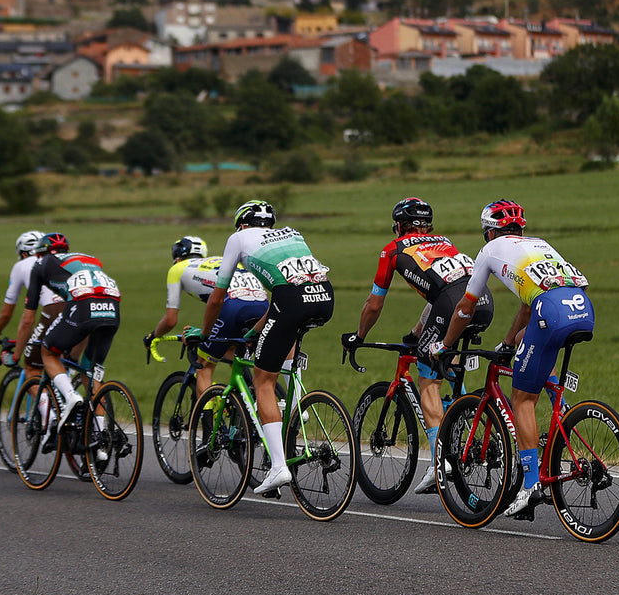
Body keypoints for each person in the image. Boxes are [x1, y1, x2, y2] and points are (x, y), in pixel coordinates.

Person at [442, 199, 593, 518]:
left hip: (549, 310)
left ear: (489, 232)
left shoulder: (489, 250)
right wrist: (509, 342)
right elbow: (527, 305)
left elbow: (466, 307)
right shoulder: (540, 244)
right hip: (581, 306)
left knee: (522, 400)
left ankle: (529, 486)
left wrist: (446, 345)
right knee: (529, 340)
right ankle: (559, 407)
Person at [347, 197, 492, 495]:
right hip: (485, 301)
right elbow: (436, 298)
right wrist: (416, 332)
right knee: (444, 359)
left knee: (427, 375)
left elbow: (374, 304)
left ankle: (440, 462)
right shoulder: (443, 241)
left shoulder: (393, 249)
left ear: (399, 225)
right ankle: (463, 417)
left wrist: (359, 335)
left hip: (453, 303)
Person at [201, 199, 334, 495]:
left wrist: (206, 335)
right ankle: (298, 405)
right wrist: (254, 330)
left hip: (291, 300)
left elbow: (217, 297)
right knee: (284, 346)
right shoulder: (292, 233)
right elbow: (284, 298)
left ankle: (278, 466)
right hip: (325, 297)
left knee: (262, 379)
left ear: (242, 224)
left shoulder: (238, 238)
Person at [11, 233, 123, 448]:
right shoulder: (89, 259)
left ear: (40, 253)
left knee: (48, 352)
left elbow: (28, 318)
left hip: (82, 306)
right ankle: (100, 441)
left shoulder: (40, 264)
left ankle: (70, 397)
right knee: (90, 373)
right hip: (112, 309)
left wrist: (18, 350)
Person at [142, 235, 271, 397]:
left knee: (203, 366)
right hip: (262, 305)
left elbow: (170, 320)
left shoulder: (177, 269)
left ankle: (207, 419)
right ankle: (246, 407)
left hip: (233, 306)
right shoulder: (218, 260)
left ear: (176, 257)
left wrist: (153, 336)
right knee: (234, 352)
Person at [0, 230, 61, 369]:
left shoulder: (21, 266)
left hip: (54, 311)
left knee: (32, 367)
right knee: (66, 362)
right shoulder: (61, 259)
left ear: (23, 254)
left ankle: (44, 391)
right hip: (84, 307)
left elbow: (7, 313)